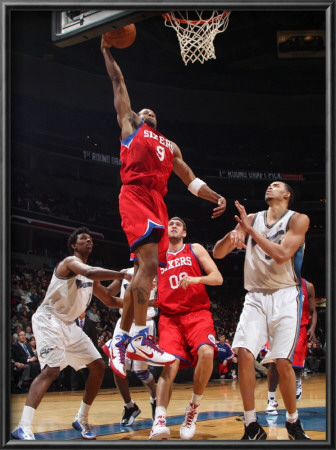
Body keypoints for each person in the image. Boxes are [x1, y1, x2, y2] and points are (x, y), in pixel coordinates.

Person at [100, 38, 227, 378]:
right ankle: (139, 336)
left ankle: (121, 340)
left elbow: (191, 180)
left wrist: (216, 197)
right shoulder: (129, 125)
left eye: (154, 112)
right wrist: (106, 51)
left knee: (147, 270)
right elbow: (118, 82)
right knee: (149, 264)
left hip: (158, 200)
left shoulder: (170, 146)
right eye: (146, 111)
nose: (149, 111)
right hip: (136, 193)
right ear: (137, 117)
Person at [11, 227, 131, 441]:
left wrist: (147, 302)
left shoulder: (90, 276)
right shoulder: (69, 262)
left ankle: (81, 418)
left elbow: (111, 301)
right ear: (74, 245)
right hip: (49, 318)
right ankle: (23, 426)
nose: (89, 241)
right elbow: (91, 272)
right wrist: (121, 274)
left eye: (91, 239)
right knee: (51, 370)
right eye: (84, 239)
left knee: (98, 365)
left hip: (68, 324)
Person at [213, 181, 311, 440]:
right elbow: (218, 253)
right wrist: (233, 236)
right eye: (269, 185)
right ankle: (252, 425)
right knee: (243, 353)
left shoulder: (298, 219)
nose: (270, 187)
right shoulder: (252, 218)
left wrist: (251, 233)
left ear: (287, 195)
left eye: (276, 185)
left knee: (282, 362)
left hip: (286, 295)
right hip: (255, 295)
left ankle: (292, 421)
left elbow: (282, 254)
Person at [149, 217, 223, 440]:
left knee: (207, 352)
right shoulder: (156, 255)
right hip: (169, 318)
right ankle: (159, 420)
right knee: (168, 367)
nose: (173, 225)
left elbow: (217, 278)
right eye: (170, 223)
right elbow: (149, 286)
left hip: (197, 314)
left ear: (184, 233)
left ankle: (193, 408)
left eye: (178, 224)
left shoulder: (194, 248)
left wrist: (195, 279)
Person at [103, 267, 157, 427]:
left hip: (145, 322)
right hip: (124, 322)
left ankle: (155, 398)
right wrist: (92, 282)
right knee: (117, 368)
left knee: (141, 371)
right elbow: (108, 293)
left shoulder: (156, 271)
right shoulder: (124, 272)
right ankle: (130, 406)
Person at [266, 278, 317, 414]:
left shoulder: (308, 286)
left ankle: (297, 379)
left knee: (296, 365)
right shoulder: (277, 281)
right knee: (274, 362)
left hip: (300, 327)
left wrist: (312, 328)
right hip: (280, 325)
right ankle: (271, 400)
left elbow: (313, 311)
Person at [71, 311, 99, 391]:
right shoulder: (73, 322)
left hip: (87, 349)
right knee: (75, 367)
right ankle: (74, 386)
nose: (80, 313)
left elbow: (94, 338)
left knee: (88, 368)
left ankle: (88, 386)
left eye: (82, 311)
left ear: (85, 313)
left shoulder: (91, 323)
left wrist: (95, 349)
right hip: (76, 348)